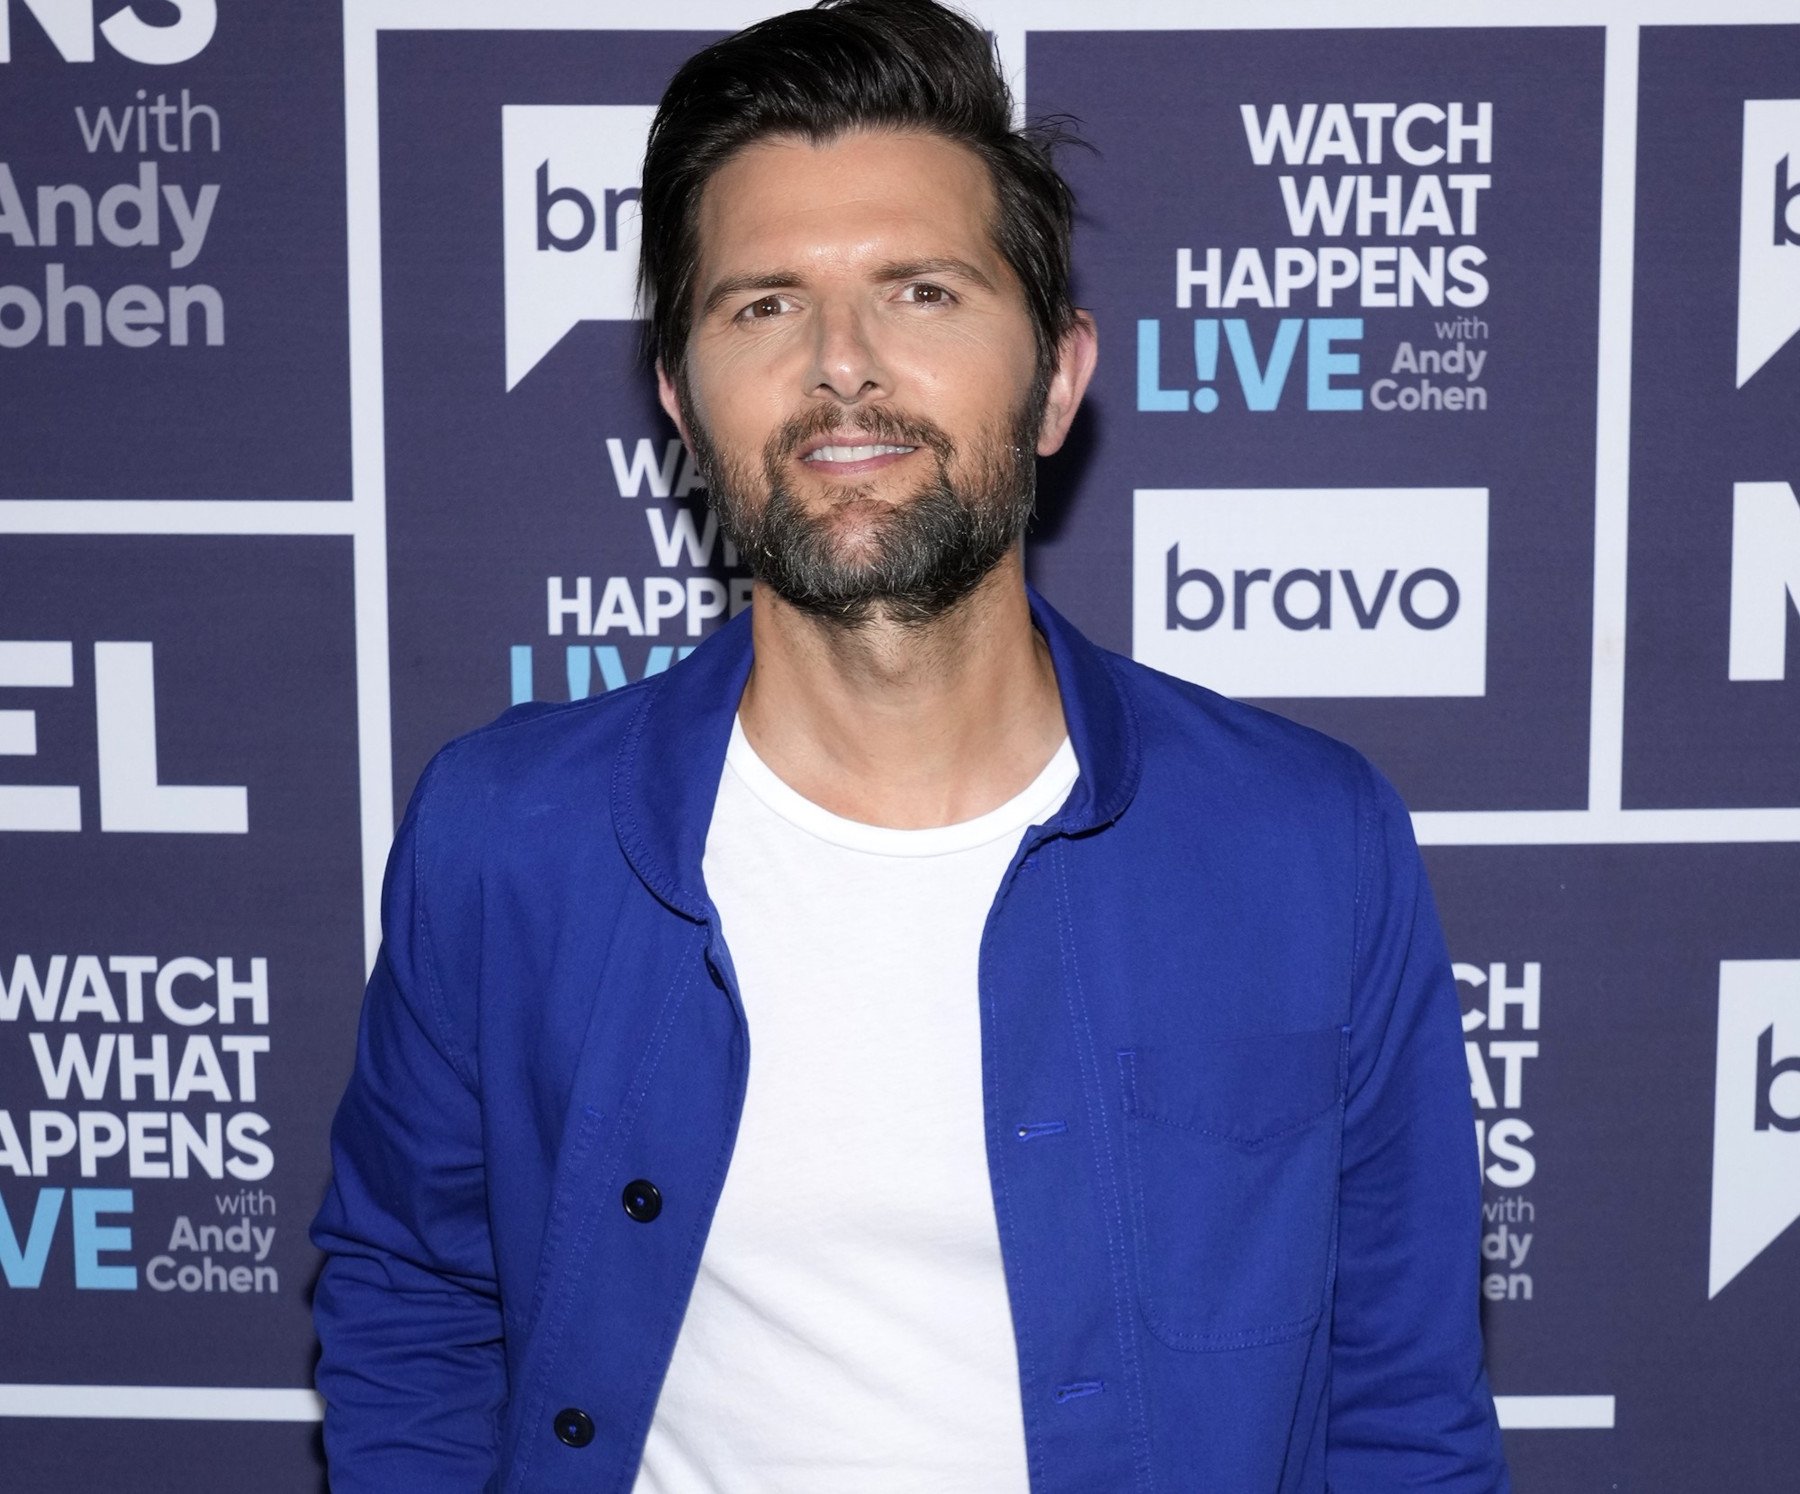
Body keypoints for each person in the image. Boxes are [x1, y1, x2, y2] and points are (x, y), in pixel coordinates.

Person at [310, 1, 1510, 1489]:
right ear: (682, 403)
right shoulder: (504, 837)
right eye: (764, 305)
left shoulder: (1309, 843)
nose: (842, 367)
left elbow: (1400, 1407)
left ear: (1058, 377)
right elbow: (412, 1303)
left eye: (922, 293)